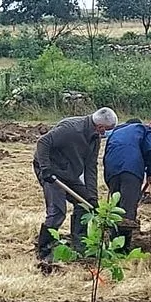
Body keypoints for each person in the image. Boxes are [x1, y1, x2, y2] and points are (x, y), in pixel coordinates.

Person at [33, 107, 118, 262]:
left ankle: (79, 245)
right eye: (106, 131)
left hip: (69, 173)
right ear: (100, 127)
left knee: (84, 204)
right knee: (58, 211)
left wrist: (92, 197)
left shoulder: (94, 139)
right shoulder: (71, 129)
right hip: (50, 171)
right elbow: (43, 142)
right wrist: (46, 169)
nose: (105, 135)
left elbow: (90, 167)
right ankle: (44, 250)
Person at [102, 118, 151, 250]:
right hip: (131, 168)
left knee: (116, 206)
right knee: (128, 210)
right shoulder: (144, 129)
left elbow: (107, 152)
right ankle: (122, 249)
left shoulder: (116, 132)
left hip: (111, 168)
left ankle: (113, 245)